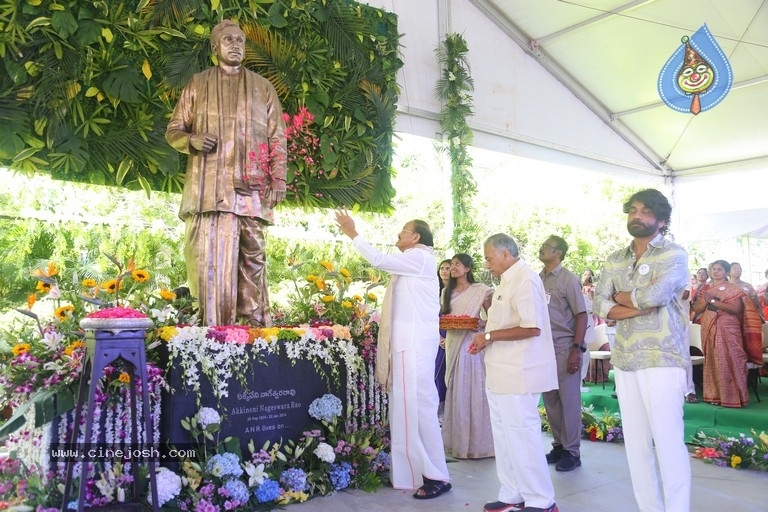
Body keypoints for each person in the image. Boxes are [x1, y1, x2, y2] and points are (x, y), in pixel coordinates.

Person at [166, 19, 287, 327]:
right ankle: (214, 329)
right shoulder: (198, 83)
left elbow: (277, 137)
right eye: (229, 40)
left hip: (251, 189)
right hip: (210, 189)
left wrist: (279, 177)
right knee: (209, 263)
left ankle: (252, 328)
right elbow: (174, 131)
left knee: (252, 258)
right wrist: (191, 140)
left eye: (240, 40)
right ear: (215, 47)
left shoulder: (263, 87)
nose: (236, 45)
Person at [334, 210, 451, 499]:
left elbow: (378, 259)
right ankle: (412, 473)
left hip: (413, 346)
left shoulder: (421, 257)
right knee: (406, 408)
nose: (398, 234)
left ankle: (435, 475)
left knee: (417, 407)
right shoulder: (413, 261)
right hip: (407, 345)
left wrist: (353, 232)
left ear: (416, 237)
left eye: (403, 231)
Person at [592, 189, 691, 512]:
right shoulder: (615, 259)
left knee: (667, 443)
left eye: (645, 211)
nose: (637, 215)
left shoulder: (673, 254)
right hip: (625, 360)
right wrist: (636, 304)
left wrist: (622, 299)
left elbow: (659, 295)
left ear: (661, 219)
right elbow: (599, 302)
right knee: (635, 446)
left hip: (663, 357)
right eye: (632, 210)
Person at [469, 233, 558, 512]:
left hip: (519, 372)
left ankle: (542, 500)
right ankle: (512, 495)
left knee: (522, 436)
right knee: (505, 437)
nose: (486, 264)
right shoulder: (505, 282)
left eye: (489, 257)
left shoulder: (526, 279)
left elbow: (532, 327)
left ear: (506, 254)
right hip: (500, 373)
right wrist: (485, 336)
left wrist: (490, 336)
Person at [538, 236, 587, 472]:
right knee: (551, 402)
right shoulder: (539, 278)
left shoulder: (568, 279)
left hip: (565, 347)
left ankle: (572, 451)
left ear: (558, 253)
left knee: (569, 402)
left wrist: (576, 350)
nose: (542, 249)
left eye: (547, 247)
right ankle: (558, 445)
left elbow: (582, 315)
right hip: (543, 349)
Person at [440, 253, 494, 459]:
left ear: (468, 268)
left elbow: (493, 317)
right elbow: (446, 317)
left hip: (472, 345)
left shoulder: (480, 291)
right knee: (456, 391)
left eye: (457, 264)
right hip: (453, 343)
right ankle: (458, 444)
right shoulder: (446, 291)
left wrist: (479, 325)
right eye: (451, 264)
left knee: (472, 390)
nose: (453, 268)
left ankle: (479, 445)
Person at [691, 260, 763, 407]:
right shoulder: (705, 287)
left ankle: (733, 397)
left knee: (731, 359)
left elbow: (735, 309)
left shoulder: (733, 288)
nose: (714, 271)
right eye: (713, 269)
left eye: (719, 269)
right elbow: (698, 309)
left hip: (728, 327)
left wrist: (712, 300)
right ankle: (715, 396)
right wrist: (705, 299)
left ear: (726, 272)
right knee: (713, 360)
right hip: (709, 327)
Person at [435, 259, 451, 417]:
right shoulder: (434, 289)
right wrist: (438, 336)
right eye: (442, 268)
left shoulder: (458, 292)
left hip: (453, 334)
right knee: (437, 371)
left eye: (448, 268)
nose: (445, 271)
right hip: (437, 333)